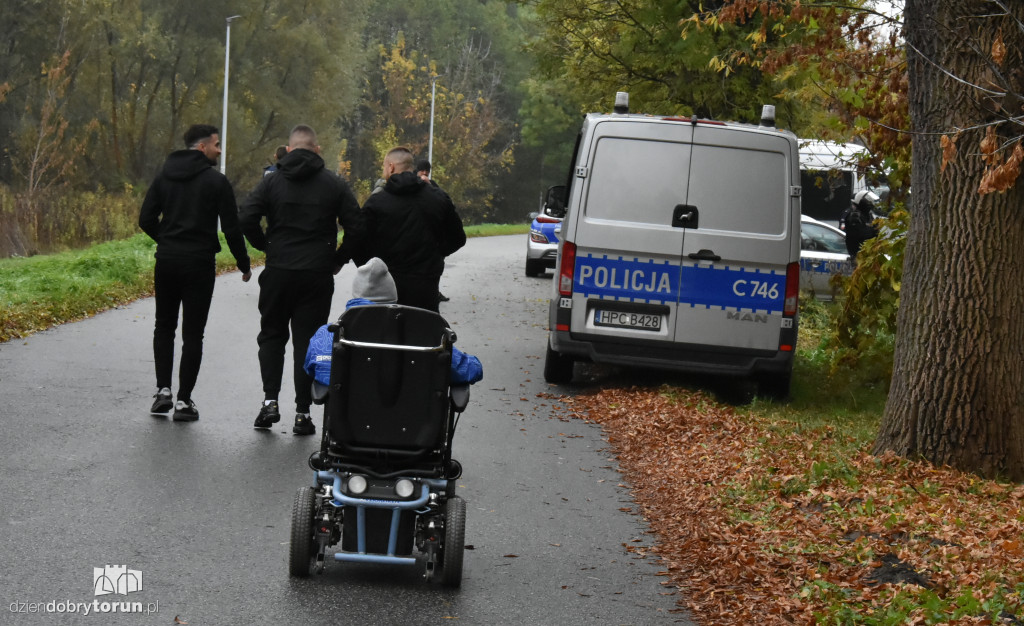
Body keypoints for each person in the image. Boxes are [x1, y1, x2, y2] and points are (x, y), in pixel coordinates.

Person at [239, 124, 364, 436]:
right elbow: (358, 225)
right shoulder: (334, 184)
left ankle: (269, 401)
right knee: (306, 341)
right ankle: (302, 412)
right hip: (316, 274)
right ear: (317, 149)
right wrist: (338, 258)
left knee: (271, 335)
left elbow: (246, 216)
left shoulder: (271, 183)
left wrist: (265, 245)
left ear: (290, 148)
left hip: (279, 270)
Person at [139, 123, 252, 422]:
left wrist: (166, 238)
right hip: (199, 264)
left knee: (163, 326)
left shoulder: (164, 176)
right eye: (216, 144)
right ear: (202, 147)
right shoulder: (216, 182)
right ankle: (183, 402)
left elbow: (145, 217)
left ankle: (162, 390)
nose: (219, 149)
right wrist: (243, 263)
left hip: (167, 261)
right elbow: (231, 226)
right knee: (193, 333)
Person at [304, 257, 483, 388]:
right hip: (416, 432)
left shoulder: (329, 334)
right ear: (393, 297)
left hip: (349, 428)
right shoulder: (424, 333)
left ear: (356, 295)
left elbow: (317, 370)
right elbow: (470, 370)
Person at [358, 147, 466, 312]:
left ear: (391, 167)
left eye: (384, 166)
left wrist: (373, 265)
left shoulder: (377, 203)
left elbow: (358, 239)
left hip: (385, 284)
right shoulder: (438, 198)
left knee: (386, 333)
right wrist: (436, 253)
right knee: (423, 331)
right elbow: (458, 237)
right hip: (426, 283)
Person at [414, 159, 452, 304]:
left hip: (432, 234)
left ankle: (434, 291)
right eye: (422, 171)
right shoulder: (410, 185)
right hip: (417, 233)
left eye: (427, 172)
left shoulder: (433, 186)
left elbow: (444, 201)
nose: (424, 174)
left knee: (434, 267)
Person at [840, 189, 881, 259]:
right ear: (863, 203)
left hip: (868, 253)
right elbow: (862, 235)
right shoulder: (855, 217)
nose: (870, 204)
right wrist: (874, 230)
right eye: (868, 202)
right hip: (859, 254)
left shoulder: (868, 215)